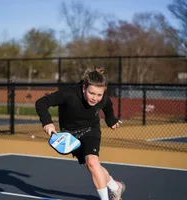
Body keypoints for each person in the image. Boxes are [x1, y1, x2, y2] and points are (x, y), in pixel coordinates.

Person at [35, 65, 126, 200]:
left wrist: (111, 121)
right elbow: (41, 102)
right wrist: (47, 122)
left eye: (99, 94)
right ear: (84, 88)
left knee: (92, 162)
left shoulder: (104, 98)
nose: (95, 98)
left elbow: (108, 109)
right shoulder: (69, 94)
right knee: (92, 165)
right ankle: (115, 186)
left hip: (91, 130)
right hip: (71, 136)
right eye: (92, 93)